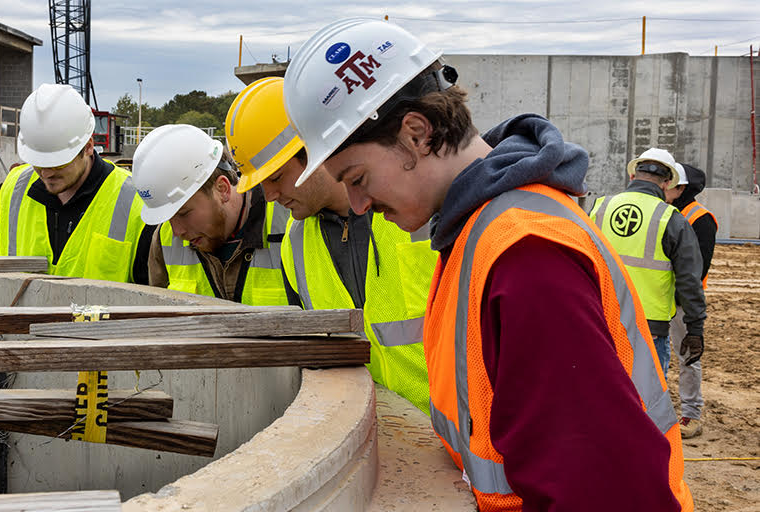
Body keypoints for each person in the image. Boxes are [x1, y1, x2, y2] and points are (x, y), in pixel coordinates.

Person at [282, 18, 692, 510]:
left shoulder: (524, 253)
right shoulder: (476, 234)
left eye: (358, 176)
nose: (359, 203)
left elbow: (603, 488)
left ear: (416, 134)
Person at [223, 76, 436, 413]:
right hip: (371, 438)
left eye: (276, 177)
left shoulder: (413, 209)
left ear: (314, 149)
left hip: (456, 438)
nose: (272, 197)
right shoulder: (295, 241)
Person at [0, 84, 152, 283]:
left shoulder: (134, 203)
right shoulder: (14, 188)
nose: (46, 173)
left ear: (88, 147)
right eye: (38, 162)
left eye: (58, 163)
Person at [131, 124, 294, 305]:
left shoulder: (290, 225)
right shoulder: (164, 240)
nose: (177, 231)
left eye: (183, 213)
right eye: (168, 218)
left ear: (222, 189)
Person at [589, 148, 706, 376]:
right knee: (648, 403)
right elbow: (689, 280)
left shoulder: (599, 208)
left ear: (632, 176)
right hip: (649, 328)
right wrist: (695, 328)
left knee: (602, 398)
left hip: (602, 320)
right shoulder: (671, 219)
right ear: (667, 184)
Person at [666, 162, 717, 438]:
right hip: (659, 296)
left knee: (687, 357)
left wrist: (683, 302)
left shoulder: (700, 218)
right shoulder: (668, 213)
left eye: (669, 181)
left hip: (683, 302)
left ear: (682, 187)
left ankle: (691, 414)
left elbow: (699, 269)